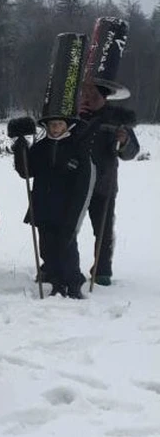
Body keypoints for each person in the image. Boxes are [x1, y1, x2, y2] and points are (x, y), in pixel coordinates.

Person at [13, 118, 93, 298]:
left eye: (60, 125)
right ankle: (56, 282)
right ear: (47, 126)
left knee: (67, 246)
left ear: (67, 126)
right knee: (47, 247)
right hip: (43, 204)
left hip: (67, 207)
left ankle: (73, 283)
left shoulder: (77, 147)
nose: (56, 128)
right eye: (52, 125)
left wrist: (76, 209)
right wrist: (21, 150)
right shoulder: (40, 147)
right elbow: (26, 171)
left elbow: (83, 182)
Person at [78, 80, 139, 286]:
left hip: (104, 183)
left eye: (93, 94)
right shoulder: (76, 114)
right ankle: (62, 266)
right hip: (75, 182)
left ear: (104, 96)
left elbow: (131, 152)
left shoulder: (117, 119)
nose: (87, 97)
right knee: (67, 227)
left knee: (103, 230)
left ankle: (102, 270)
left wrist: (124, 142)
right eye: (85, 93)